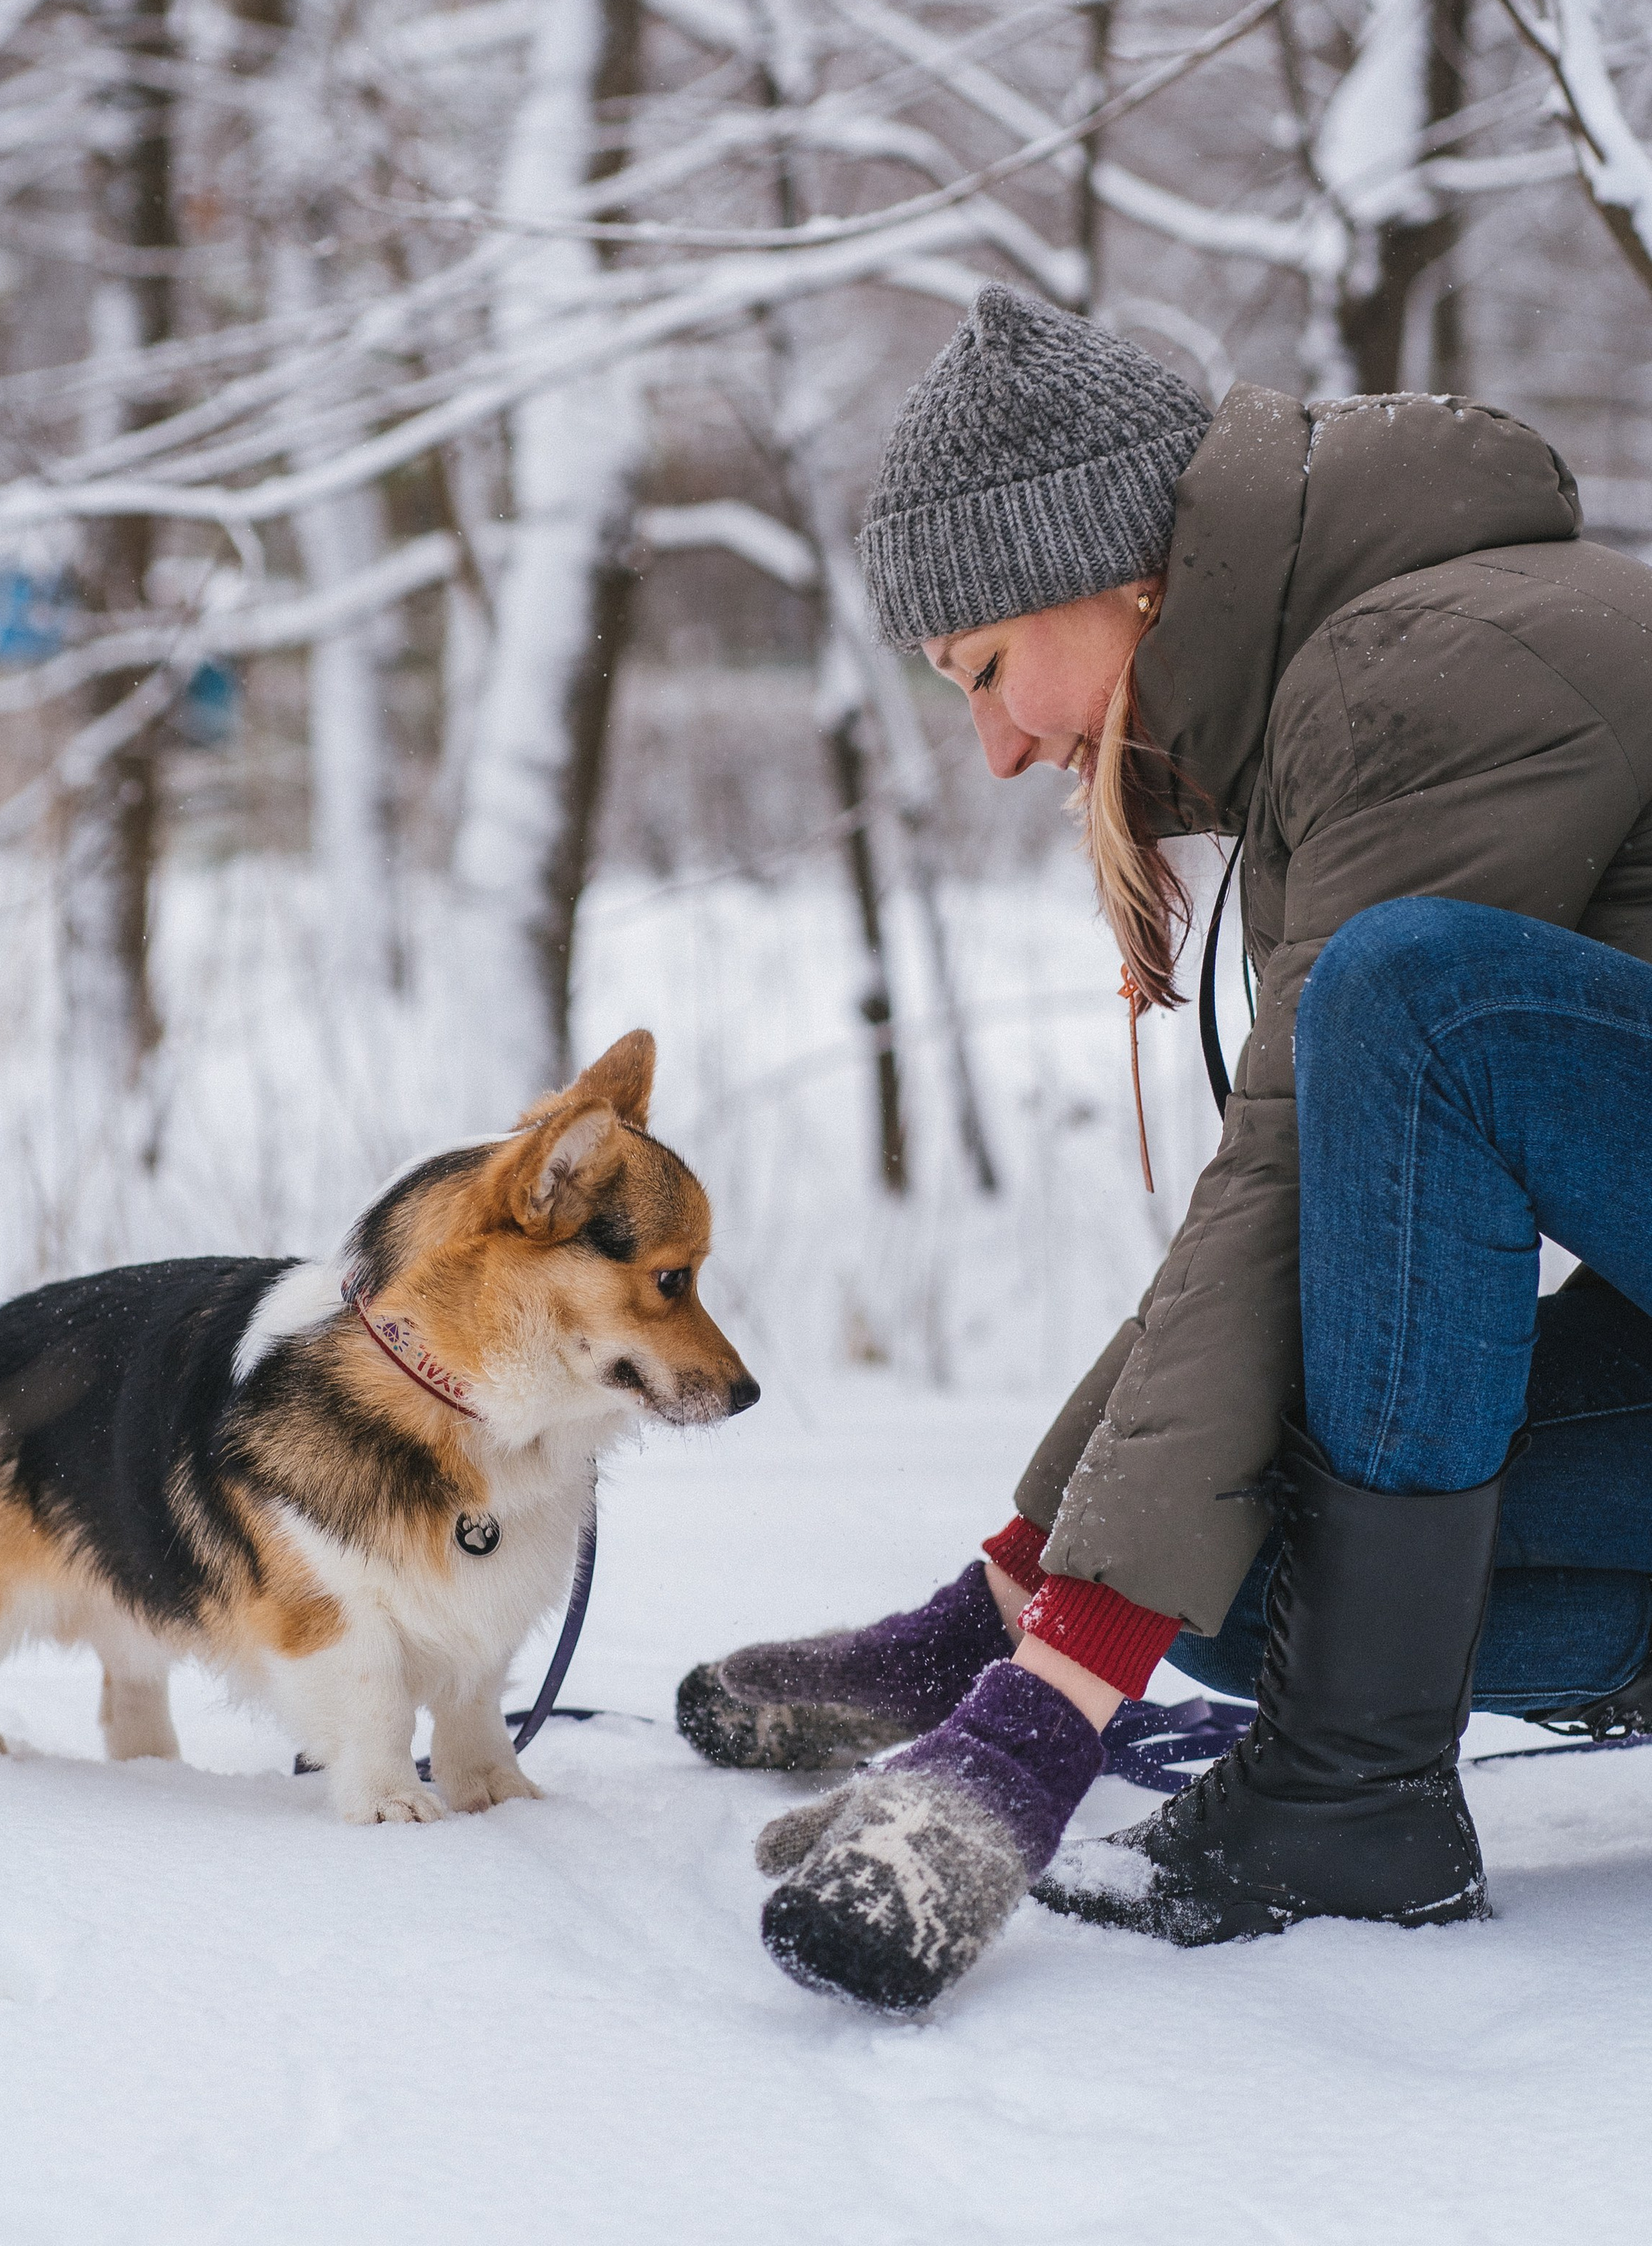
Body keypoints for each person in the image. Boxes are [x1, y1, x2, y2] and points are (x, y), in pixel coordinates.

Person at [677, 286, 1652, 2013]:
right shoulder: (1344, 691)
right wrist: (1005, 1601)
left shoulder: (1430, 667)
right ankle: (1313, 1741)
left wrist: (1031, 1736)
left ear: (1121, 570)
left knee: (1405, 1004)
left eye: (985, 668)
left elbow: (1277, 1191)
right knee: (1252, 1583)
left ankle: (1348, 1803)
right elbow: (1294, 1227)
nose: (994, 748)